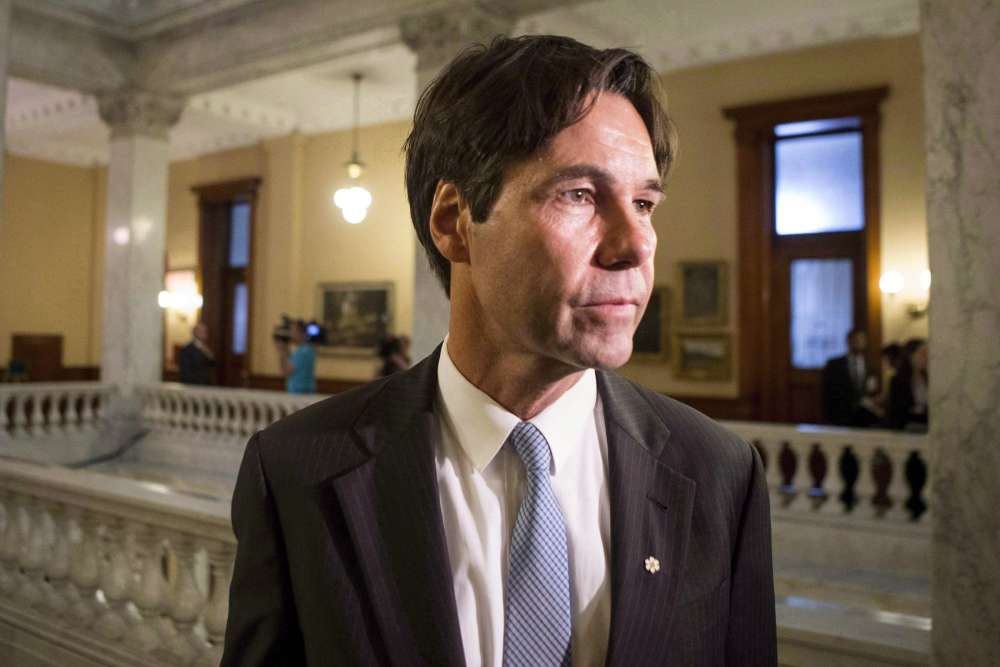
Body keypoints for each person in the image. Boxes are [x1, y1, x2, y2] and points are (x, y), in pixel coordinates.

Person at [224, 35, 776, 666]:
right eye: (580, 195)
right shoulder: (297, 471)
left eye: (645, 203)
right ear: (453, 220)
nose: (635, 246)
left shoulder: (718, 474)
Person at [821, 328, 879, 427]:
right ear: (849, 341)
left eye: (862, 340)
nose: (859, 343)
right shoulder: (834, 365)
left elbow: (872, 389)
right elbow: (827, 392)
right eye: (856, 340)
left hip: (864, 418)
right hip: (840, 416)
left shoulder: (870, 366)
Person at [887, 338, 929, 431]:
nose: (926, 357)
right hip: (908, 429)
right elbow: (896, 413)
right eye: (923, 353)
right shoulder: (898, 380)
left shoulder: (927, 378)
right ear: (911, 355)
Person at [276, 319, 316, 394]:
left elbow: (286, 371)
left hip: (300, 393)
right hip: (299, 392)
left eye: (293, 331)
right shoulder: (306, 350)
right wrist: (285, 350)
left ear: (302, 333)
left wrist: (282, 352)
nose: (290, 334)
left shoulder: (303, 352)